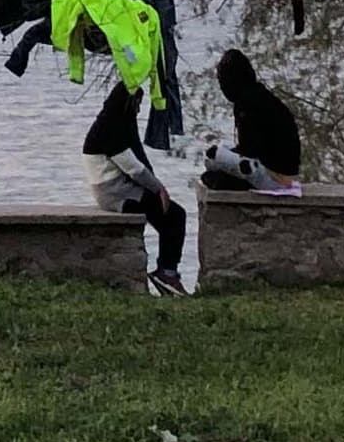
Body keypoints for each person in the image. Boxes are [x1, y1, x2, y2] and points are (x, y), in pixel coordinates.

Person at [83, 79, 187, 295]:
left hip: (117, 188)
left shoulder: (110, 123)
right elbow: (134, 169)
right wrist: (159, 189)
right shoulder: (111, 129)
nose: (139, 110)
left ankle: (166, 271)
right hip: (116, 193)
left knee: (169, 215)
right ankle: (167, 272)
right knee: (175, 215)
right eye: (137, 104)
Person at [201, 49, 304, 194]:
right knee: (215, 167)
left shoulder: (248, 104)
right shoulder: (258, 95)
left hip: (273, 173)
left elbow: (250, 149)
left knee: (212, 163)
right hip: (282, 170)